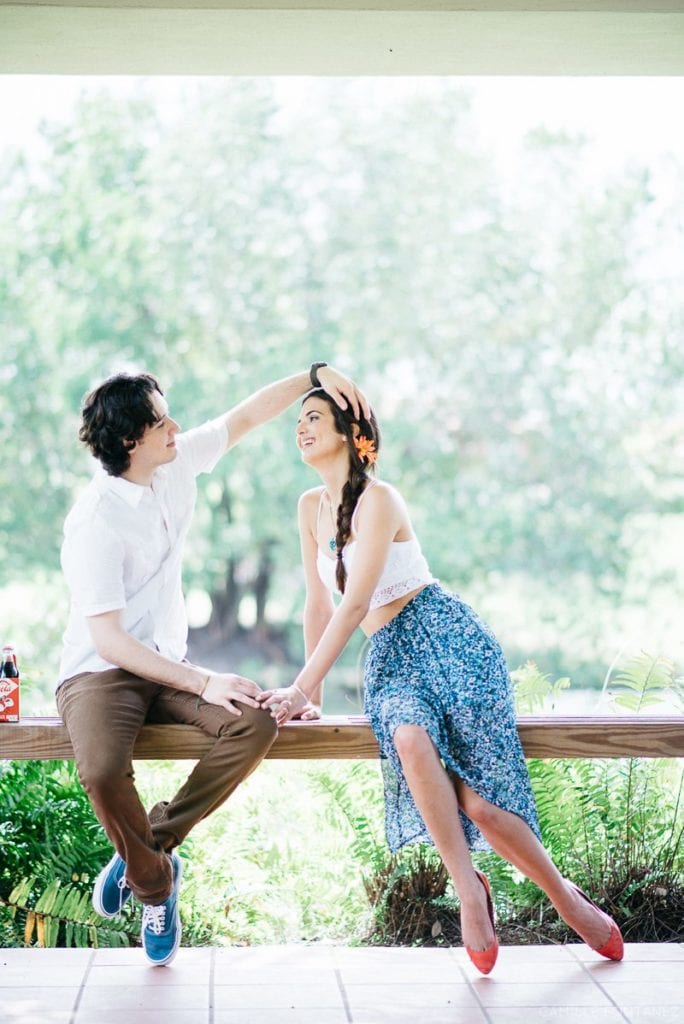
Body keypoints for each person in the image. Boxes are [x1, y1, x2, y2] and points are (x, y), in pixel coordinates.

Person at [260, 389, 624, 974]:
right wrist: (315, 700)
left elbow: (353, 603)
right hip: (393, 657)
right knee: (408, 738)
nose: (299, 428)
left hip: (447, 638)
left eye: (313, 418)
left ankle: (564, 898)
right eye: (297, 420)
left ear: (350, 432)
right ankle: (469, 891)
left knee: (481, 806)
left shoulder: (380, 500)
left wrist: (298, 687)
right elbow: (318, 605)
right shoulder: (309, 507)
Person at [57, 363, 367, 967]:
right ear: (129, 442)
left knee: (255, 723)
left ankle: (147, 849)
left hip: (167, 663)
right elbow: (112, 642)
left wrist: (312, 374)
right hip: (101, 671)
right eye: (160, 420)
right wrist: (204, 680)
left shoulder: (174, 464)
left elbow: (246, 415)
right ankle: (155, 885)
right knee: (99, 770)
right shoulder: (94, 521)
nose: (175, 426)